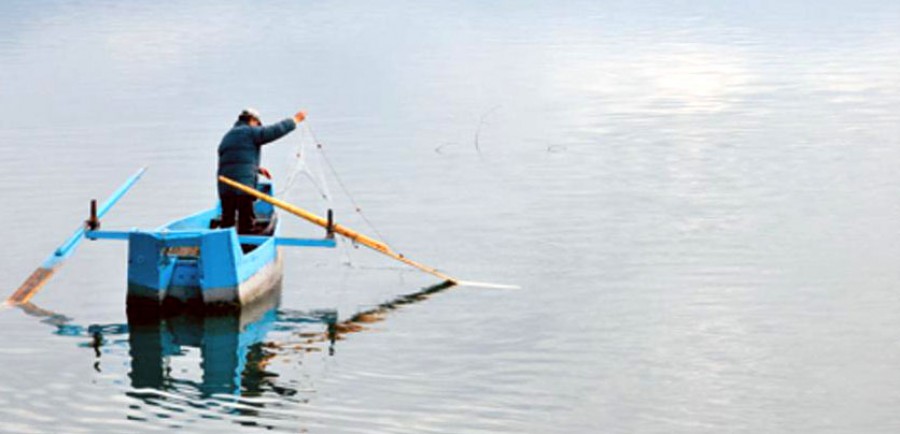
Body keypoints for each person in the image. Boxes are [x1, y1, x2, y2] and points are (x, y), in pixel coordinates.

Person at [217, 107, 306, 233]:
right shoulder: (250, 132)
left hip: (225, 187)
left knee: (227, 220)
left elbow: (233, 159)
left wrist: (256, 169)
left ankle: (223, 243)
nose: (258, 127)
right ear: (252, 120)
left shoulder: (228, 136)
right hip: (243, 187)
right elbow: (274, 131)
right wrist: (294, 120)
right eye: (258, 124)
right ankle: (246, 244)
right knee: (245, 221)